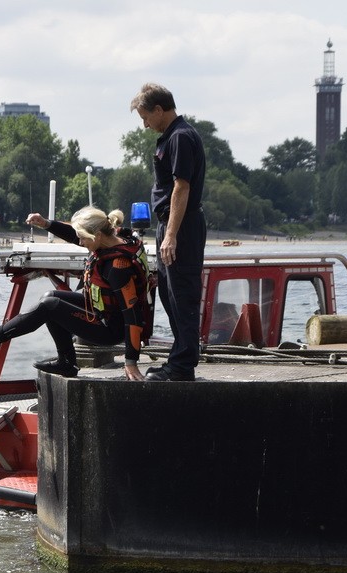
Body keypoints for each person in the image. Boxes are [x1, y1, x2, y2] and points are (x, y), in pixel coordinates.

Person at [0, 207, 150, 381]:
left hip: (111, 329)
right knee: (51, 297)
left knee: (51, 307)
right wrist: (46, 224)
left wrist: (130, 361)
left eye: (82, 238)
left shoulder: (118, 267)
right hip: (100, 311)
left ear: (97, 235)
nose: (80, 243)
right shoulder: (110, 238)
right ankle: (67, 362)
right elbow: (73, 235)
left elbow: (132, 316)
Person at [130, 83, 206, 381]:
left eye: (145, 117)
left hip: (182, 225)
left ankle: (183, 364)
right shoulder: (171, 137)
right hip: (170, 224)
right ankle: (178, 357)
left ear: (159, 110)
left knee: (182, 292)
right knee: (168, 292)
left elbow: (182, 186)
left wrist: (172, 234)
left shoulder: (181, 137)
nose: (144, 123)